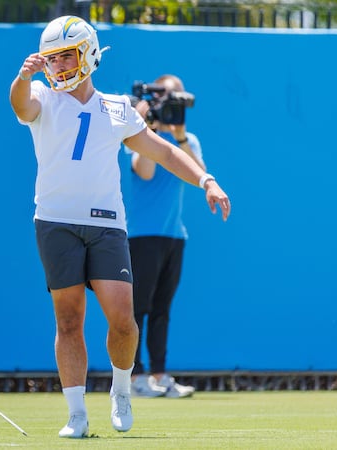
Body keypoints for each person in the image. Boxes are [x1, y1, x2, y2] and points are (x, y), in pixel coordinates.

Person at [9, 16, 230, 438]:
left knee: (124, 320)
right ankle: (76, 413)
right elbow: (21, 105)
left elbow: (163, 152)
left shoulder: (117, 107)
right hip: (55, 223)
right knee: (69, 321)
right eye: (51, 60)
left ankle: (122, 390)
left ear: (89, 54)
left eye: (65, 57)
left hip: (107, 225)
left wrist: (207, 180)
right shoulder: (41, 97)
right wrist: (23, 76)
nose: (56, 67)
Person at [126, 74, 203, 399]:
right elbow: (144, 170)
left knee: (161, 309)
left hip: (174, 236)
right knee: (137, 308)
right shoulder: (136, 137)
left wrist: (180, 136)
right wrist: (151, 130)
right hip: (141, 235)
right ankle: (134, 377)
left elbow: (197, 174)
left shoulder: (190, 141)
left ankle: (159, 375)